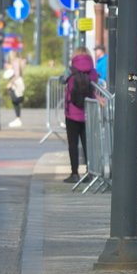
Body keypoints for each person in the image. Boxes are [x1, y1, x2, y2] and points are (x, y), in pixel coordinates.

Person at [62, 47, 98, 183]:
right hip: (88, 111)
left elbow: (62, 80)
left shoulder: (71, 70)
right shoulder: (92, 71)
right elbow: (96, 82)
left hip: (72, 112)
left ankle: (74, 173)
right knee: (87, 143)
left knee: (73, 143)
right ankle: (90, 172)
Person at [5, 52, 26, 128]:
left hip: (16, 83)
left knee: (15, 100)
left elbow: (17, 74)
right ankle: (18, 118)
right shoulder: (20, 61)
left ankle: (18, 119)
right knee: (16, 100)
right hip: (19, 82)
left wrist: (10, 83)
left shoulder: (15, 61)